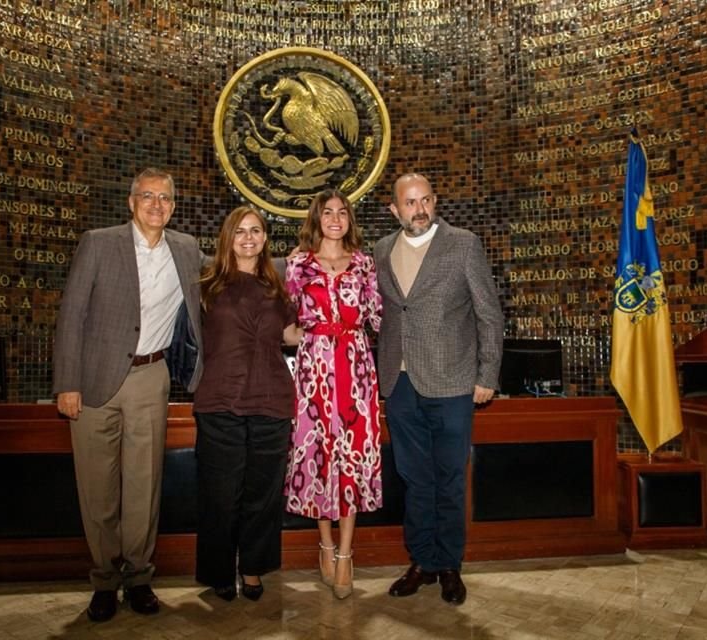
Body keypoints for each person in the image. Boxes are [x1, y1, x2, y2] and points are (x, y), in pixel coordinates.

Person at [53, 167, 205, 622]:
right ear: (131, 201)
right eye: (147, 196)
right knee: (98, 489)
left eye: (165, 198)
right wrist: (67, 383)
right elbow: (72, 315)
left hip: (150, 377)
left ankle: (139, 577)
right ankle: (104, 579)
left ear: (173, 207)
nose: (156, 205)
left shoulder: (186, 249)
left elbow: (229, 274)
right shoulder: (99, 243)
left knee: (144, 485)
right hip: (95, 380)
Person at [375, 173, 504, 606]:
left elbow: (489, 314)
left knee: (449, 478)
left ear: (435, 200)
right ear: (395, 209)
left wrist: (487, 375)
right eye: (409, 203)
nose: (420, 209)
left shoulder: (463, 244)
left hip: (452, 382)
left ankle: (449, 564)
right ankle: (423, 561)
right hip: (400, 384)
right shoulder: (380, 251)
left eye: (426, 199)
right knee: (415, 479)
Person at [193, 206, 300, 602]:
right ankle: (220, 570)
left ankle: (253, 568)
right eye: (240, 231)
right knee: (220, 495)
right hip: (219, 400)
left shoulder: (280, 287)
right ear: (228, 237)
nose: (249, 238)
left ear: (265, 238)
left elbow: (290, 335)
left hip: (271, 401)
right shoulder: (205, 283)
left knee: (263, 495)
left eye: (256, 231)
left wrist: (332, 325)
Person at [284, 189, 383, 600]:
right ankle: (324, 543)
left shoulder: (364, 264)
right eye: (328, 212)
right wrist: (305, 338)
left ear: (350, 220)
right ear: (316, 218)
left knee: (353, 459)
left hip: (356, 370)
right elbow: (284, 324)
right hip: (314, 372)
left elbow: (379, 318)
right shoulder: (297, 265)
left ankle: (345, 554)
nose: (336, 218)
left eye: (343, 212)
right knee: (318, 459)